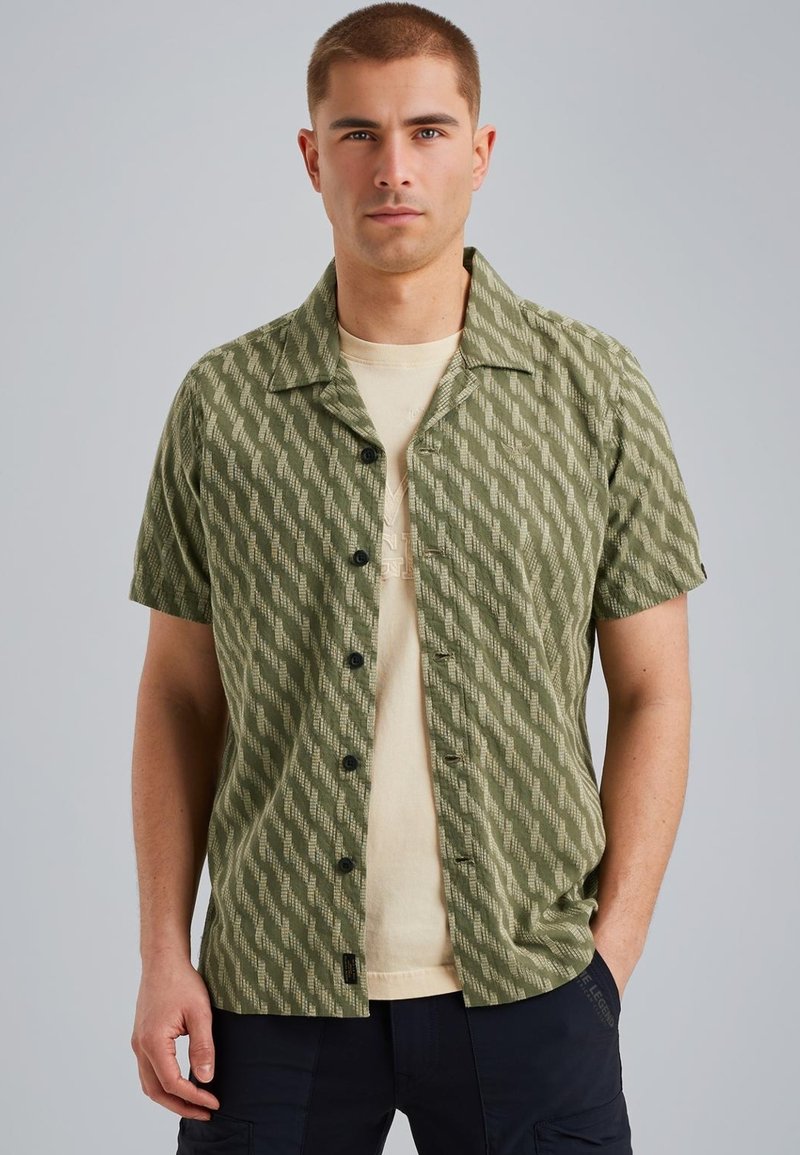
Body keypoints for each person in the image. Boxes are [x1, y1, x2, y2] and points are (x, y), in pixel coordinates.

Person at [127, 4, 708, 1152]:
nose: (392, 167)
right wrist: (161, 953)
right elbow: (179, 695)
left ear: (479, 153)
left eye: (428, 131)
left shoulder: (592, 391)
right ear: (312, 158)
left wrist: (608, 960)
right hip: (269, 992)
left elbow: (654, 689)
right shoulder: (222, 404)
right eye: (358, 134)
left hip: (532, 987)